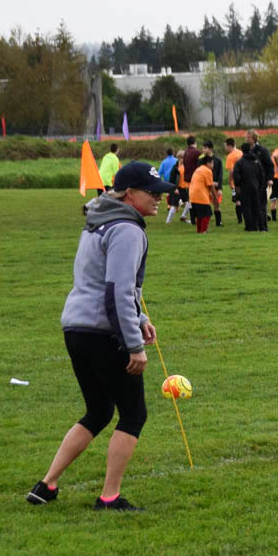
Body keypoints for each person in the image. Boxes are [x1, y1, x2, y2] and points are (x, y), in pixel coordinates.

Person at [26, 161, 174, 511]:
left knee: (99, 411)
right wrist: (134, 346)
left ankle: (46, 485)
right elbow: (117, 292)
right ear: (129, 194)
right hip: (103, 332)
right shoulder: (127, 230)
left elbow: (101, 283)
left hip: (76, 328)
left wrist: (140, 318)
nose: (159, 198)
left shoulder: (98, 221)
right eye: (152, 193)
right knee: (133, 413)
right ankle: (109, 497)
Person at [233, 142, 266, 232]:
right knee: (257, 207)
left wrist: (237, 185)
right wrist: (260, 185)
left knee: (246, 207)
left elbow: (236, 175)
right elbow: (262, 174)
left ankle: (249, 226)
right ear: (250, 149)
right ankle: (261, 226)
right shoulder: (256, 161)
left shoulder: (239, 162)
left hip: (244, 187)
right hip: (256, 187)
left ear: (242, 150)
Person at [189, 154, 216, 233]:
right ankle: (203, 231)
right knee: (207, 214)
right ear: (208, 163)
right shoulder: (207, 171)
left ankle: (199, 231)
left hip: (192, 195)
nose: (213, 165)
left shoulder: (198, 169)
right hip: (200, 195)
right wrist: (215, 197)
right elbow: (210, 186)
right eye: (212, 163)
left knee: (200, 215)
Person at [201, 140, 224, 227]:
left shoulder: (218, 160)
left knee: (216, 204)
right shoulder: (201, 160)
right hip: (204, 187)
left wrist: (220, 188)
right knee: (205, 204)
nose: (203, 150)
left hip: (215, 187)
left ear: (210, 149)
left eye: (205, 148)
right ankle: (204, 222)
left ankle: (218, 222)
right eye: (203, 148)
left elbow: (220, 175)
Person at [180, 135, 201, 222]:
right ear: (195, 142)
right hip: (195, 178)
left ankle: (189, 217)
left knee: (191, 198)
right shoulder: (197, 152)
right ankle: (195, 217)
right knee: (196, 199)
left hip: (187, 178)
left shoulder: (186, 152)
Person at [225, 138, 244, 224]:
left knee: (238, 200)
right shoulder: (241, 153)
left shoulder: (230, 156)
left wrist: (230, 182)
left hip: (236, 181)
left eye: (225, 146)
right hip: (245, 180)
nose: (225, 148)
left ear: (229, 146)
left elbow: (231, 171)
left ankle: (240, 220)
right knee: (244, 199)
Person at [164, 151, 182, 223]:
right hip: (176, 189)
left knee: (188, 203)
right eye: (182, 158)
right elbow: (171, 180)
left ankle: (184, 216)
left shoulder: (184, 167)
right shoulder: (175, 168)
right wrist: (174, 188)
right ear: (178, 158)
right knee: (174, 205)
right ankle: (168, 221)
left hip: (183, 188)